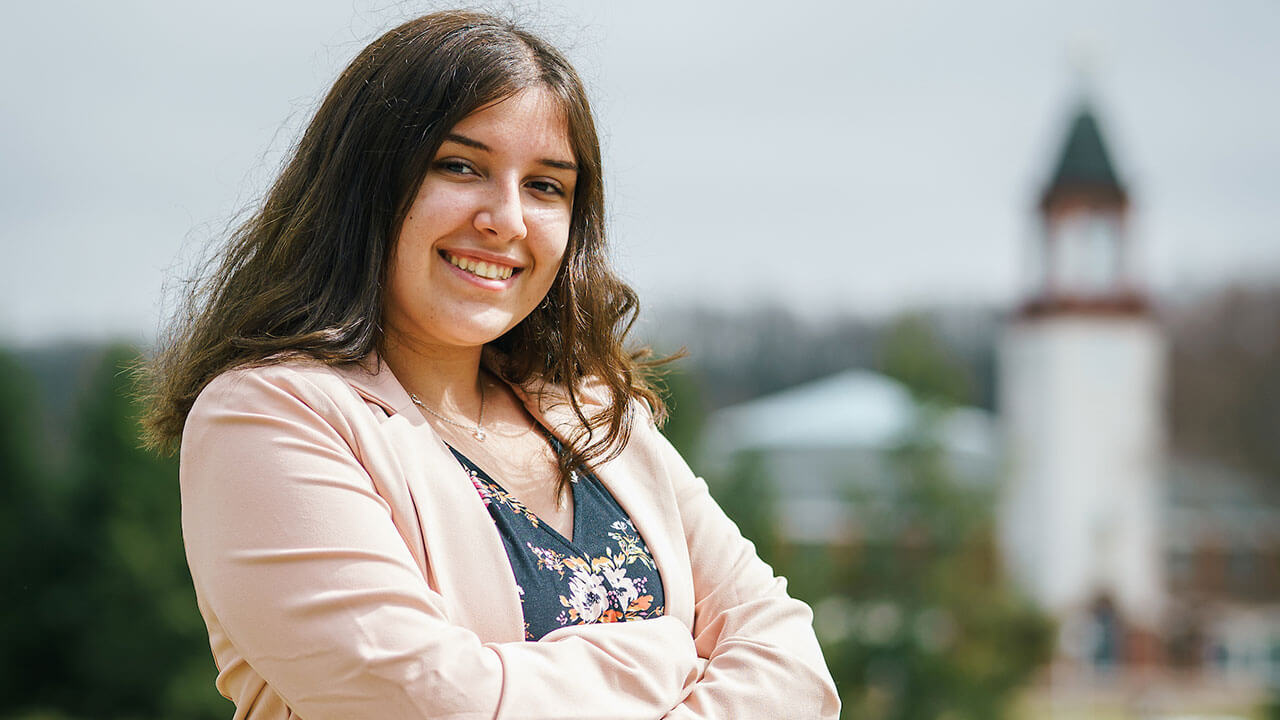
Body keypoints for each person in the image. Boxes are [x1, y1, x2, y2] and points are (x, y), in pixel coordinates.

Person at [143, 10, 839, 719]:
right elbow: (435, 704)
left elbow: (790, 662)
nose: (506, 218)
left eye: (546, 186)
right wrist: (663, 654)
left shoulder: (599, 413)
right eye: (459, 166)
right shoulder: (266, 416)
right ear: (363, 185)